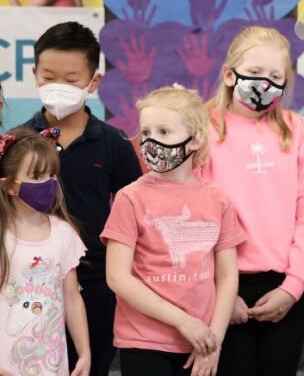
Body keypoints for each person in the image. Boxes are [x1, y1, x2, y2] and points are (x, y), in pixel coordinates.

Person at [20, 21, 143, 376]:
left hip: (94, 282)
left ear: (93, 82)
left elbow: (135, 213)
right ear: (34, 74)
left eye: (71, 80)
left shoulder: (114, 143)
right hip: (30, 282)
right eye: (48, 77)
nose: (58, 87)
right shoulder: (18, 144)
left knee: (90, 366)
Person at [202, 27, 304, 374]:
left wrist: (294, 287)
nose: (264, 83)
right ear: (230, 75)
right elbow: (194, 217)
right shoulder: (203, 129)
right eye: (255, 73)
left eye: (276, 76)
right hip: (224, 283)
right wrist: (218, 290)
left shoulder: (298, 131)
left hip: (284, 286)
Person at [102, 87, 243, 376]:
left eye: (164, 131)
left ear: (196, 140)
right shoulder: (130, 198)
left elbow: (227, 275)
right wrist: (183, 321)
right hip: (144, 341)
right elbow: (117, 277)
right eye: (146, 132)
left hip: (201, 342)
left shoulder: (219, 199)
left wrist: (214, 339)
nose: (152, 141)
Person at [0, 128, 89, 376]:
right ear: (8, 186)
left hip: (52, 365)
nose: (48, 183)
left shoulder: (63, 233)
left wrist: (84, 352)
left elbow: (72, 299)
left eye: (51, 175)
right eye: (37, 176)